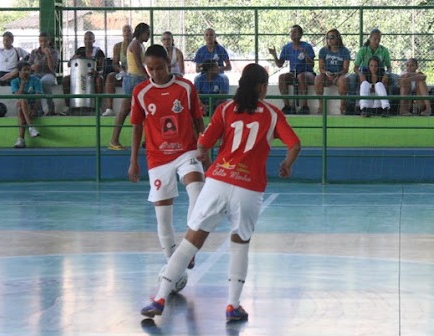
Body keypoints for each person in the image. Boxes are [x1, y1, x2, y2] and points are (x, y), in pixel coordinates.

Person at [140, 63, 301, 322]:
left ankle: (159, 298)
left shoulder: (225, 108)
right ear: (262, 87)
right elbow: (295, 145)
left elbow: (203, 143)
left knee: (191, 241)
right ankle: (232, 306)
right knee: (240, 244)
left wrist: (203, 154)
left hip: (217, 181)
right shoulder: (273, 114)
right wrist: (286, 165)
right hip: (249, 188)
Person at [128, 44, 207, 270]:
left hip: (186, 151)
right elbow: (136, 127)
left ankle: (188, 248)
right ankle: (174, 263)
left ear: (169, 64)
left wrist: (203, 147)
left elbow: (198, 120)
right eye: (150, 69)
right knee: (162, 214)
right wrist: (134, 161)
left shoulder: (185, 87)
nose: (155, 73)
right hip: (157, 157)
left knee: (197, 191)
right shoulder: (141, 92)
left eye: (159, 68)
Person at [108, 23, 150, 150]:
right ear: (141, 32)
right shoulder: (136, 44)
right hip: (133, 79)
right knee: (125, 110)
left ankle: (146, 140)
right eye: (147, 33)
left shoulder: (140, 44)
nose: (149, 35)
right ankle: (114, 140)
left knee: (145, 110)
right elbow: (138, 64)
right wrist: (149, 79)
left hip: (137, 79)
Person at [268, 24, 315, 115]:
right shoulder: (287, 47)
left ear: (300, 35)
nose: (292, 34)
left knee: (301, 77)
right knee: (282, 77)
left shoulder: (307, 46)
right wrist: (274, 55)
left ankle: (305, 106)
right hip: (293, 72)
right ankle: (287, 106)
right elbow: (279, 64)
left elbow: (311, 64)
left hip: (307, 72)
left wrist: (305, 55)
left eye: (295, 32)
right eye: (291, 32)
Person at [347, 28, 396, 113]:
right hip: (365, 72)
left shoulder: (384, 50)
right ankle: (351, 106)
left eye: (379, 39)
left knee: (395, 78)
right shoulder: (363, 50)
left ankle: (392, 106)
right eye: (375, 39)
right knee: (351, 78)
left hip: (380, 72)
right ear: (370, 39)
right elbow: (355, 67)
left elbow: (389, 67)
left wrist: (387, 74)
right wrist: (360, 74)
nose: (377, 41)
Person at [61, 31, 105, 113]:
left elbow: (101, 68)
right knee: (65, 80)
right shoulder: (80, 50)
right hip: (79, 75)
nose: (88, 41)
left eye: (90, 39)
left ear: (94, 40)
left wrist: (96, 73)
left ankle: (98, 107)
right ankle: (68, 106)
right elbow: (70, 64)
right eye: (86, 39)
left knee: (99, 80)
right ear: (83, 40)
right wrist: (74, 58)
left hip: (94, 75)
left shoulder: (99, 52)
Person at [314, 29, 350, 115]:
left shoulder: (344, 51)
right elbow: (321, 68)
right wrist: (326, 73)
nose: (329, 40)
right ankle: (321, 106)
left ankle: (342, 106)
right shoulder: (323, 50)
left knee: (343, 81)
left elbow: (346, 69)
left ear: (338, 38)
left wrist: (337, 74)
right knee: (318, 79)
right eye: (327, 38)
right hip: (327, 75)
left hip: (339, 75)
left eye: (332, 37)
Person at [102, 24, 133, 117]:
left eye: (129, 31)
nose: (127, 33)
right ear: (122, 34)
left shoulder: (137, 45)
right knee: (110, 77)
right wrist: (121, 70)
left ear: (133, 33)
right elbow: (115, 63)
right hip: (124, 75)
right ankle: (109, 109)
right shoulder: (118, 46)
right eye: (125, 31)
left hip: (134, 75)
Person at [11, 61, 42, 148]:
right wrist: (23, 84)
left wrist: (34, 110)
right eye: (24, 70)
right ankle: (31, 127)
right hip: (21, 105)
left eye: (29, 70)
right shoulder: (14, 81)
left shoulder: (36, 80)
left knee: (20, 108)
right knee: (22, 101)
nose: (27, 72)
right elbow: (18, 95)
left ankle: (21, 139)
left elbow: (38, 97)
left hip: (34, 107)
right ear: (19, 72)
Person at [28, 32, 59, 116]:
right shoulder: (34, 52)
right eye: (41, 41)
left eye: (45, 41)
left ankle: (51, 107)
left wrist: (48, 55)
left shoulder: (54, 52)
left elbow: (52, 68)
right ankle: (38, 109)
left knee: (44, 82)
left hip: (49, 74)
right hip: (36, 73)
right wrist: (32, 67)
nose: (43, 43)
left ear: (48, 41)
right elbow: (28, 65)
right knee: (31, 82)